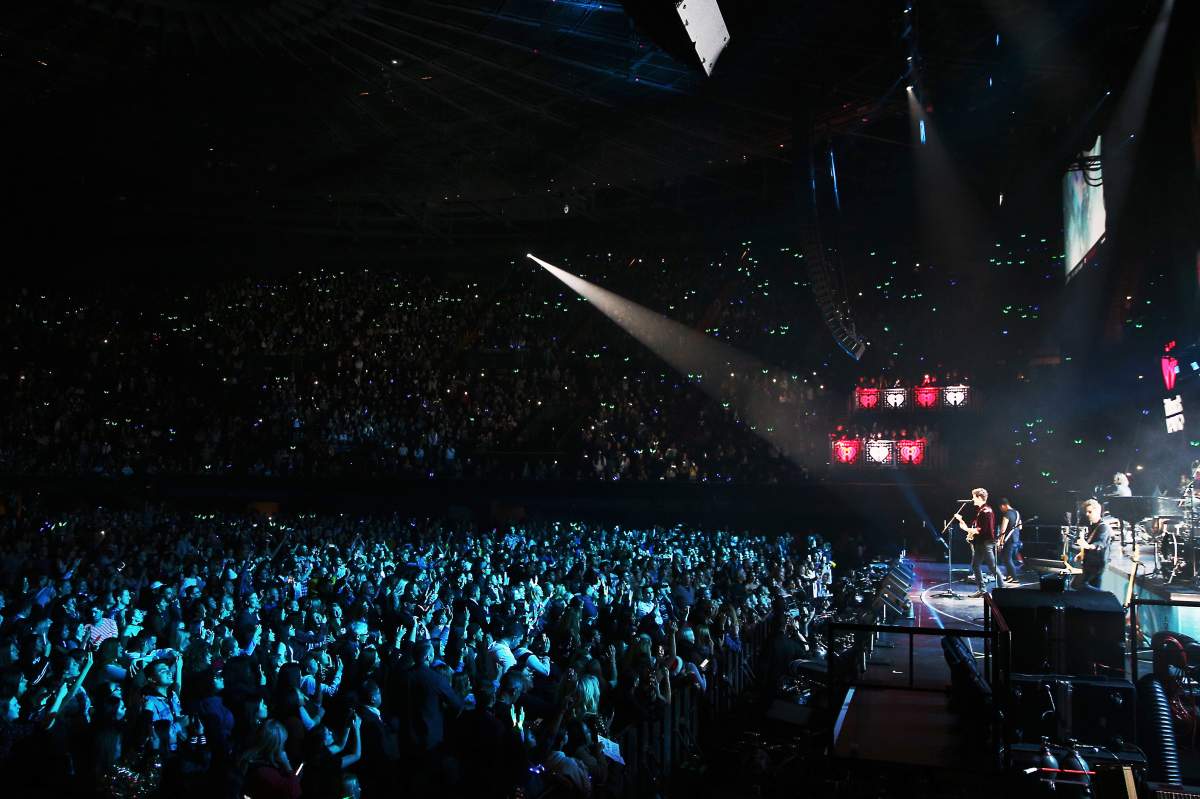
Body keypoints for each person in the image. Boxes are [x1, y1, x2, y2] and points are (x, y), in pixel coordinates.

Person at [954, 487, 998, 598]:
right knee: (975, 565)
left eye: (973, 497)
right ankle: (982, 590)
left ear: (979, 497)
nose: (972, 499)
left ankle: (1003, 589)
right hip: (980, 542)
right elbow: (975, 528)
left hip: (986, 542)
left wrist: (966, 529)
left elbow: (980, 530)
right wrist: (962, 522)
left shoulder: (986, 511)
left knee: (993, 567)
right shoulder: (980, 511)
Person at [1072, 498, 1111, 590]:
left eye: (1089, 512)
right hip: (1089, 566)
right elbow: (1091, 543)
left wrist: (1086, 545)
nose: (1087, 514)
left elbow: (1099, 544)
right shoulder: (1092, 526)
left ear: (1097, 511)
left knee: (1086, 591)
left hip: (1096, 568)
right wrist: (1082, 553)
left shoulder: (1103, 527)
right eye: (1086, 512)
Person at [996, 498, 1022, 585]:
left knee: (1007, 559)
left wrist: (1000, 541)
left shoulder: (1007, 513)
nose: (1001, 510)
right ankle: (1010, 576)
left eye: (1001, 508)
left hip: (1009, 539)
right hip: (1016, 538)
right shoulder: (1017, 512)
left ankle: (1015, 578)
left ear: (1003, 505)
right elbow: (1020, 527)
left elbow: (1003, 529)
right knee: (1006, 558)